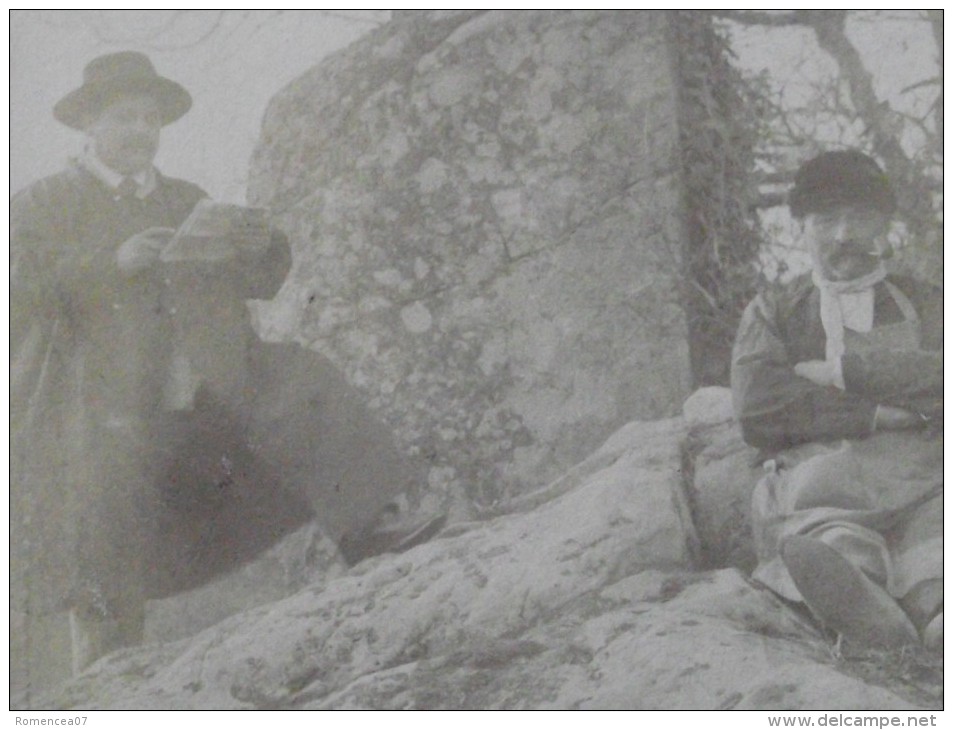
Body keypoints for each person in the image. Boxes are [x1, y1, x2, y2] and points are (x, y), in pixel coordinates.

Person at [10, 51, 292, 691]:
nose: (143, 131)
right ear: (90, 125)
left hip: (176, 401)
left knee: (191, 539)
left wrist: (263, 247)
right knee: (100, 565)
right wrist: (112, 262)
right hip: (81, 408)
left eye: (152, 120)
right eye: (126, 117)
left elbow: (254, 282)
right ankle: (96, 695)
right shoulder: (40, 203)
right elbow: (20, 297)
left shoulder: (185, 198)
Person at [731, 150, 942, 652]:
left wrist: (841, 374)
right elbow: (759, 405)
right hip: (822, 480)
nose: (844, 235)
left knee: (936, 541)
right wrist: (875, 413)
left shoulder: (930, 301)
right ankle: (865, 611)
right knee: (832, 539)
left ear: (885, 224)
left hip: (922, 474)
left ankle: (935, 616)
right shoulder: (775, 310)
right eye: (827, 219)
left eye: (860, 217)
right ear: (802, 226)